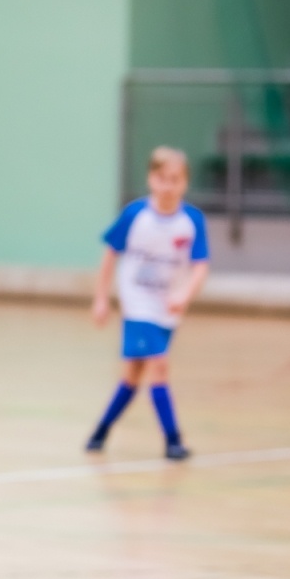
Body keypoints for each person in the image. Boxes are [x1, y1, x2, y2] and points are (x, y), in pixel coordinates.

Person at [86, 146, 211, 460]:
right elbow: (110, 255)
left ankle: (100, 432)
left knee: (132, 374)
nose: (168, 186)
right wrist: (101, 298)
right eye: (162, 178)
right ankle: (173, 441)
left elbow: (200, 266)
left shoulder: (192, 221)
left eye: (175, 179)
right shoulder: (135, 215)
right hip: (138, 302)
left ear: (185, 183)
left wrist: (184, 295)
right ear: (150, 179)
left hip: (167, 307)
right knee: (159, 364)